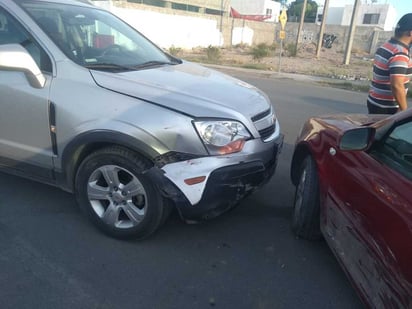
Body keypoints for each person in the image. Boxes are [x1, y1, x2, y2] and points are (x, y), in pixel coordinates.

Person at [367, 13, 412, 114]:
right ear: (411, 33)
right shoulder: (400, 53)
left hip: (374, 100)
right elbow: (397, 85)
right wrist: (404, 111)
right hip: (387, 107)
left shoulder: (386, 46)